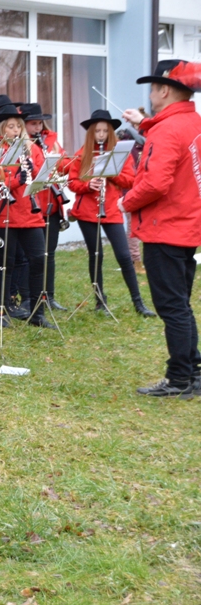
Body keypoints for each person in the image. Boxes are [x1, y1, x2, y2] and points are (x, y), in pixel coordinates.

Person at [117, 60, 201, 397]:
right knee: (181, 304)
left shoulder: (168, 129)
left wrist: (126, 202)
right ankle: (193, 373)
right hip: (186, 225)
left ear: (164, 90)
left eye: (152, 89)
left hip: (165, 227)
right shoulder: (192, 122)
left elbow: (155, 183)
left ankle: (179, 379)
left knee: (172, 307)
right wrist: (146, 124)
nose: (150, 96)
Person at [66, 109, 154, 317]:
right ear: (91, 132)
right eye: (97, 131)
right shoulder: (82, 154)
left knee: (124, 255)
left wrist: (111, 174)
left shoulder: (119, 154)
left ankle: (138, 302)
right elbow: (72, 183)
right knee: (96, 255)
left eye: (105, 131)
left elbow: (130, 180)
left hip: (111, 209)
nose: (101, 135)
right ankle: (100, 301)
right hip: (87, 211)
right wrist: (88, 185)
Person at [0, 104, 55, 329]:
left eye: (18, 126)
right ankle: (1, 310)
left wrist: (38, 172)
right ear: (1, 129)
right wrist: (17, 179)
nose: (16, 131)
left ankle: (37, 312)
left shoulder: (30, 148)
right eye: (11, 127)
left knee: (38, 260)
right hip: (7, 213)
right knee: (5, 263)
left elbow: (41, 177)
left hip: (30, 212)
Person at [21, 102, 68, 311]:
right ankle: (29, 297)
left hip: (52, 204)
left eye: (40, 123)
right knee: (32, 256)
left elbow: (66, 166)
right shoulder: (23, 145)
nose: (38, 128)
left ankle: (49, 295)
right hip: (34, 205)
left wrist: (56, 160)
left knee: (50, 252)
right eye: (33, 124)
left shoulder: (50, 140)